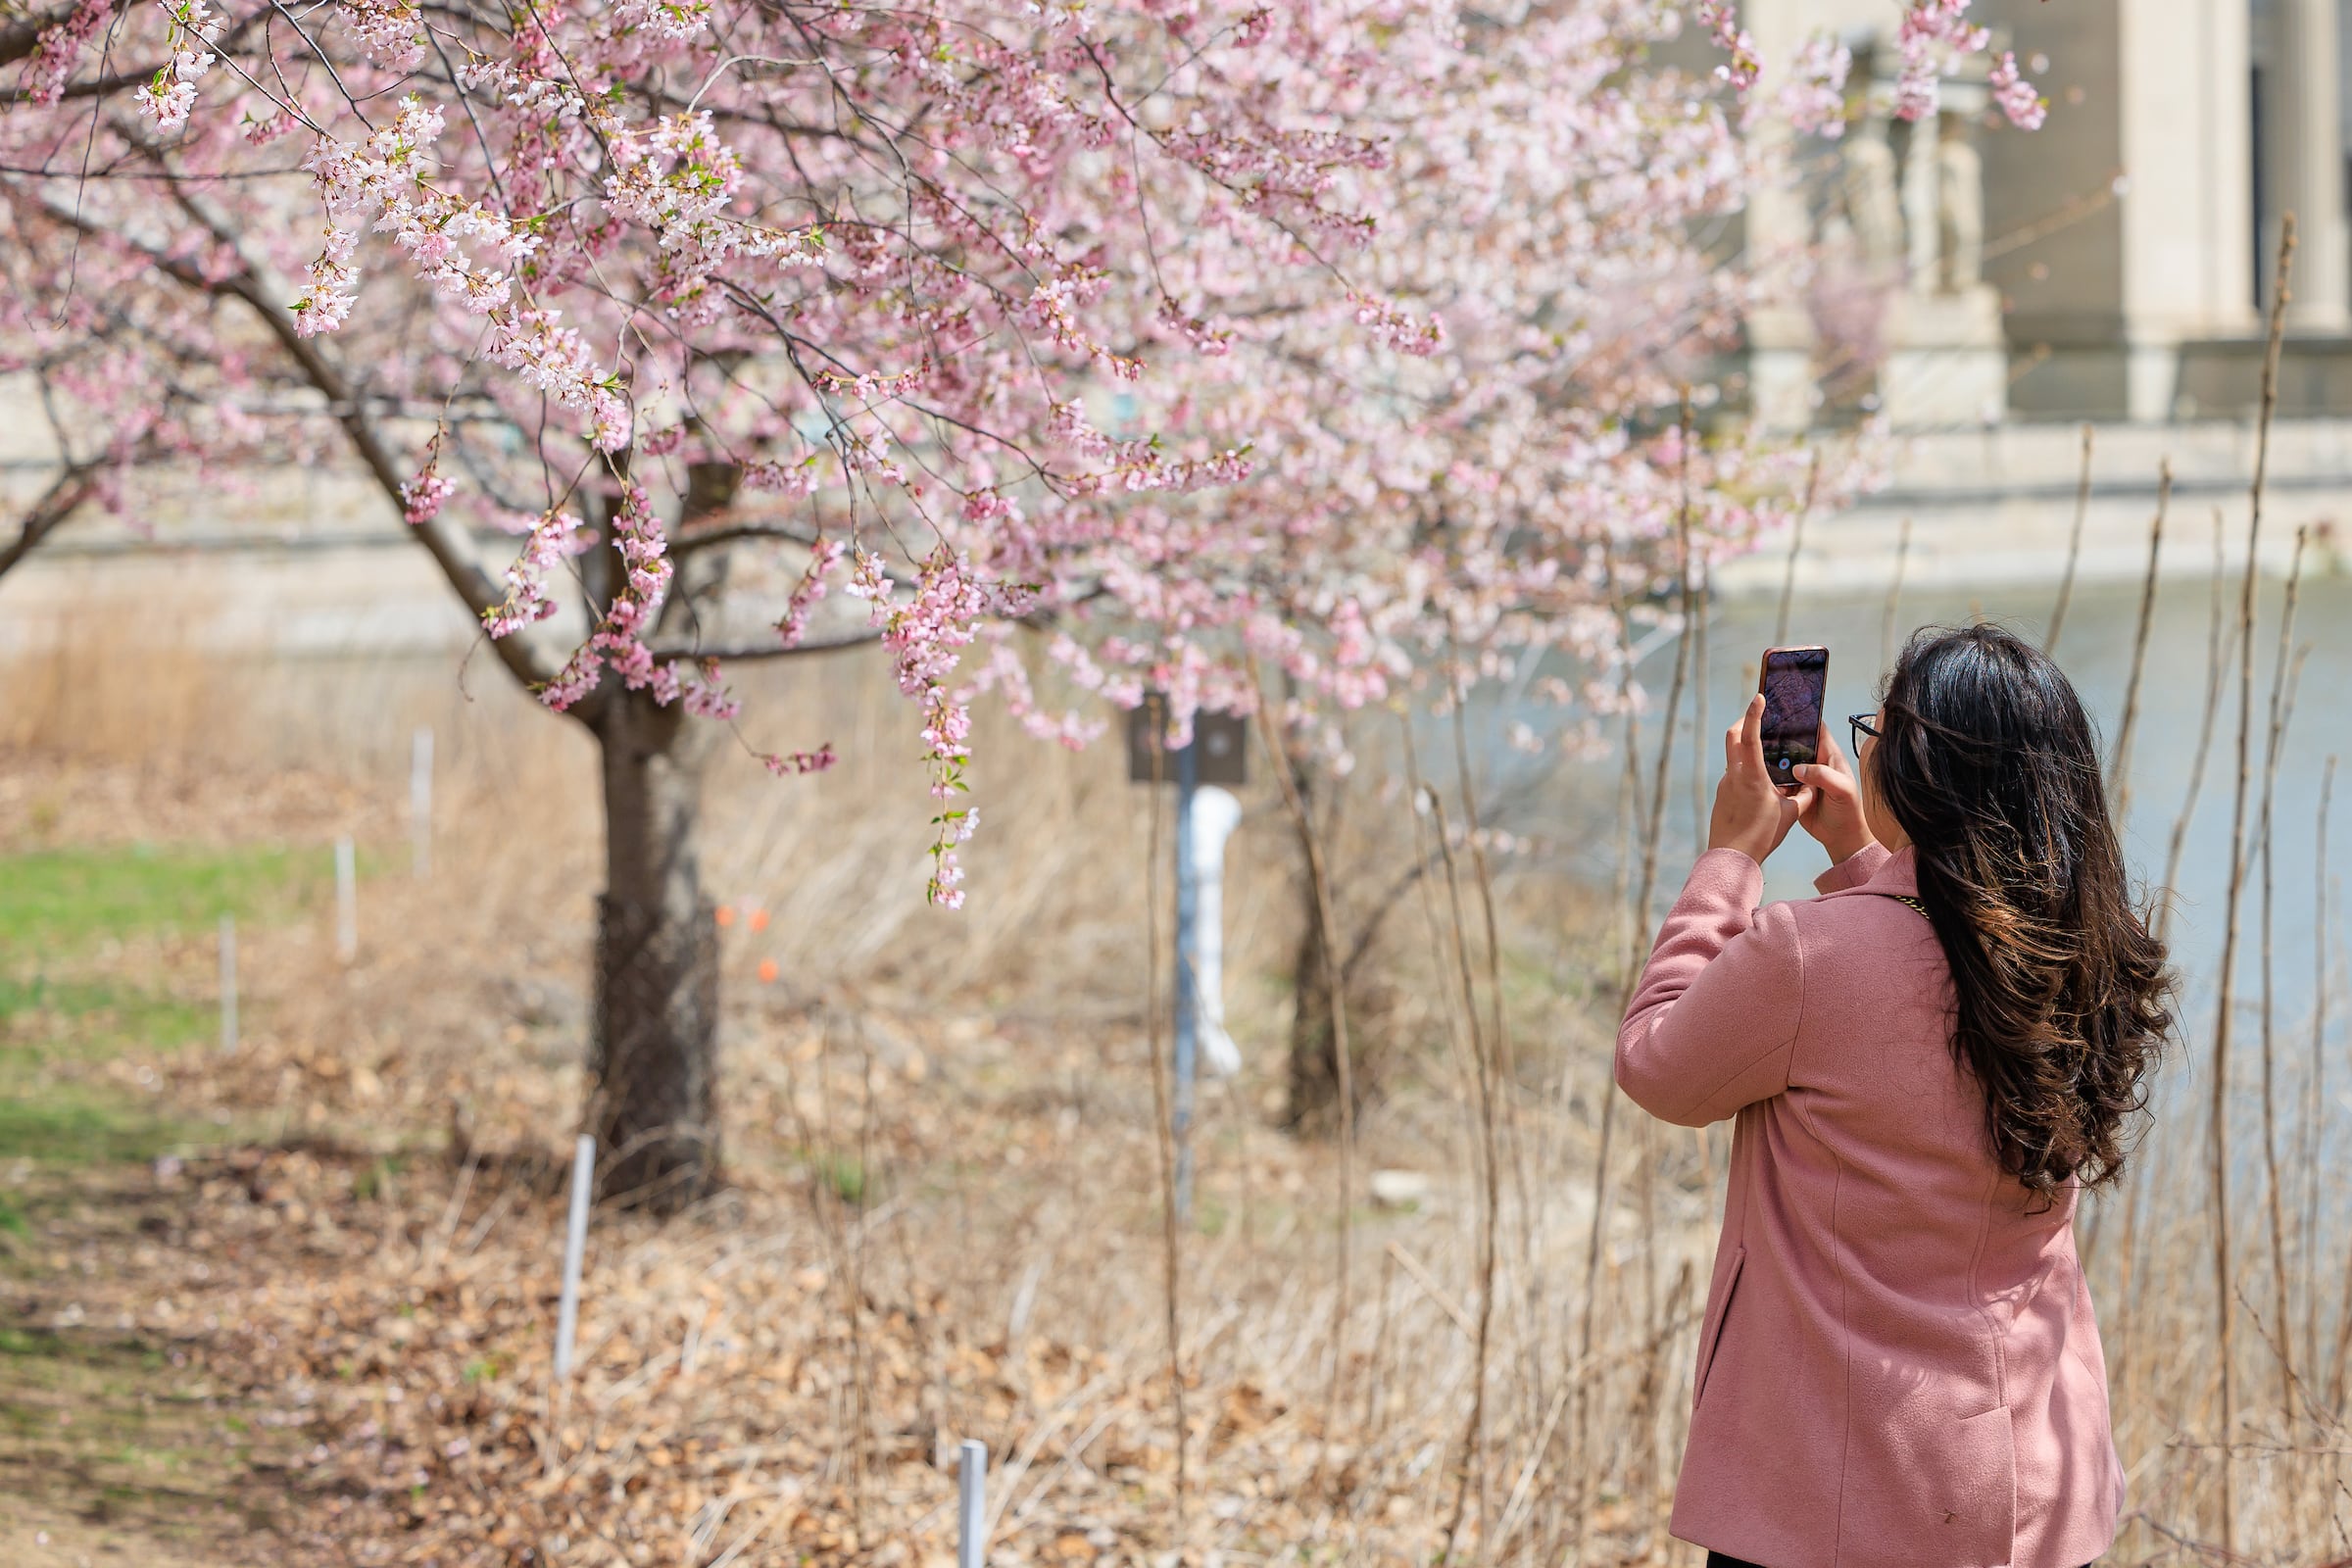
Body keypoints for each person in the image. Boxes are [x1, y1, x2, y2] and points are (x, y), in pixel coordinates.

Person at [1617, 624, 2172, 1568]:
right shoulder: (2084, 957)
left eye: (1876, 733)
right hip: (2034, 1487)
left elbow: (1657, 1065)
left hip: (1837, 1494)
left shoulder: (1805, 956)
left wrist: (1731, 860)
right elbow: (1939, 968)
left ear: (1913, 768)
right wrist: (1868, 858)